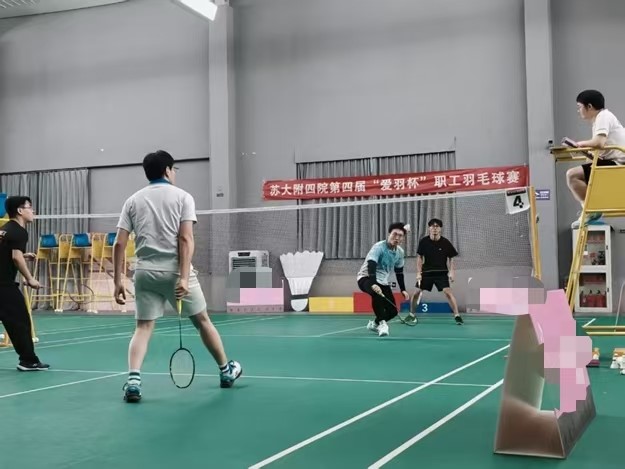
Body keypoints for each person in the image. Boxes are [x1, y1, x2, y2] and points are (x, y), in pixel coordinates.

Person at [113, 150, 242, 403]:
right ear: (167, 170)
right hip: (175, 272)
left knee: (143, 327)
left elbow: (119, 243)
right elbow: (185, 238)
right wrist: (183, 278)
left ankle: (133, 382)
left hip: (145, 272)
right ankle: (226, 371)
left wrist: (118, 281)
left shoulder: (132, 200)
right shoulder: (183, 197)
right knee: (202, 321)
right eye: (174, 169)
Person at [0, 196, 49, 371]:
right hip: (4, 286)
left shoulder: (4, 230)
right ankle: (28, 361)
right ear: (20, 211)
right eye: (29, 207)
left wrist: (23, 254)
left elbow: (8, 253)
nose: (33, 210)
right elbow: (15, 257)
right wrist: (30, 278)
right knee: (20, 322)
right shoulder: (20, 231)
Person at [565, 89, 625, 228]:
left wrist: (580, 144)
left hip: (618, 165)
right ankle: (591, 208)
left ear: (589, 106)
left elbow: (599, 143)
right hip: (611, 162)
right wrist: (584, 152)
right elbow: (599, 149)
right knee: (580, 171)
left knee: (572, 175)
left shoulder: (603, 117)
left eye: (579, 107)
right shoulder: (601, 119)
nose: (578, 111)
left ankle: (591, 210)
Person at [357, 222, 410, 337]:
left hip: (383, 281)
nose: (397, 237)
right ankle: (382, 324)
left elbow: (399, 272)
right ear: (389, 234)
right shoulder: (379, 247)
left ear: (403, 239)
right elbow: (371, 264)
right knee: (376, 294)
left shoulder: (400, 252)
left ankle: (374, 324)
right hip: (366, 277)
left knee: (393, 311)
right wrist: (373, 283)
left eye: (400, 236)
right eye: (394, 234)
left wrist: (403, 289)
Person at [411, 218, 463, 325]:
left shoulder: (445, 242)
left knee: (448, 292)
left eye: (437, 226)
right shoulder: (424, 242)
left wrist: (452, 272)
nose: (435, 228)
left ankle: (457, 315)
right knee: (416, 293)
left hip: (441, 272)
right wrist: (418, 272)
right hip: (426, 272)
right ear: (429, 228)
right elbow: (419, 257)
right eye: (432, 226)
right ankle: (411, 314)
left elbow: (451, 257)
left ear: (440, 229)